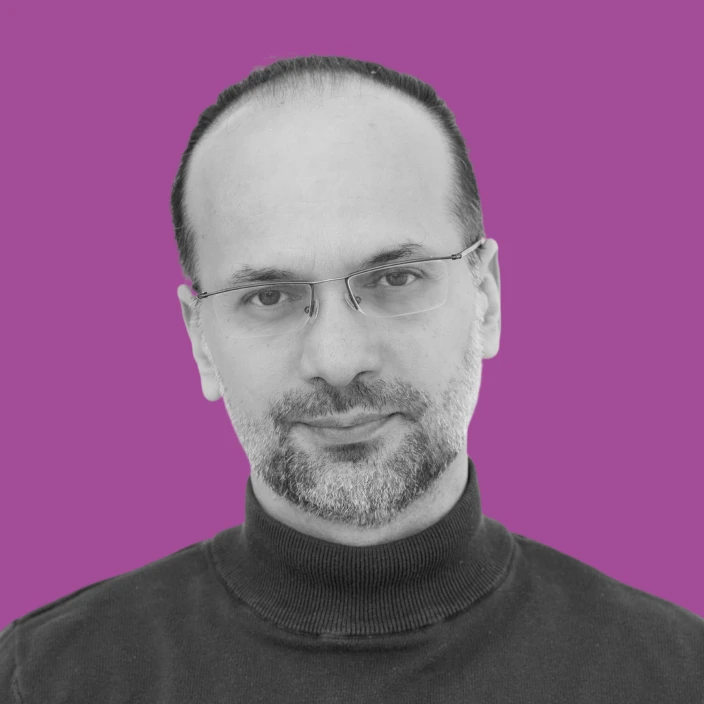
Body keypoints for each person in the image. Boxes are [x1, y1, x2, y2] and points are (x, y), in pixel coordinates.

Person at [1, 55, 702, 703]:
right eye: (269, 296)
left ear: (485, 298)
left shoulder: (675, 674)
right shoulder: (48, 678)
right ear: (201, 341)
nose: (337, 359)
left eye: (395, 278)